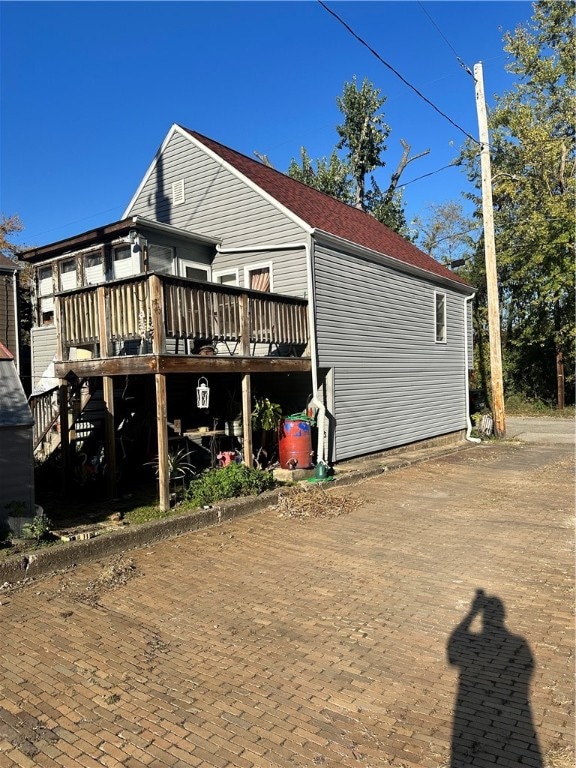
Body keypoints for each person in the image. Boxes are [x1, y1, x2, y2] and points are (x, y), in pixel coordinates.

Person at [447, 589, 543, 767]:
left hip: (470, 703)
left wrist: (472, 613)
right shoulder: (519, 643)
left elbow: (453, 648)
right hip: (518, 708)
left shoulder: (517, 643)